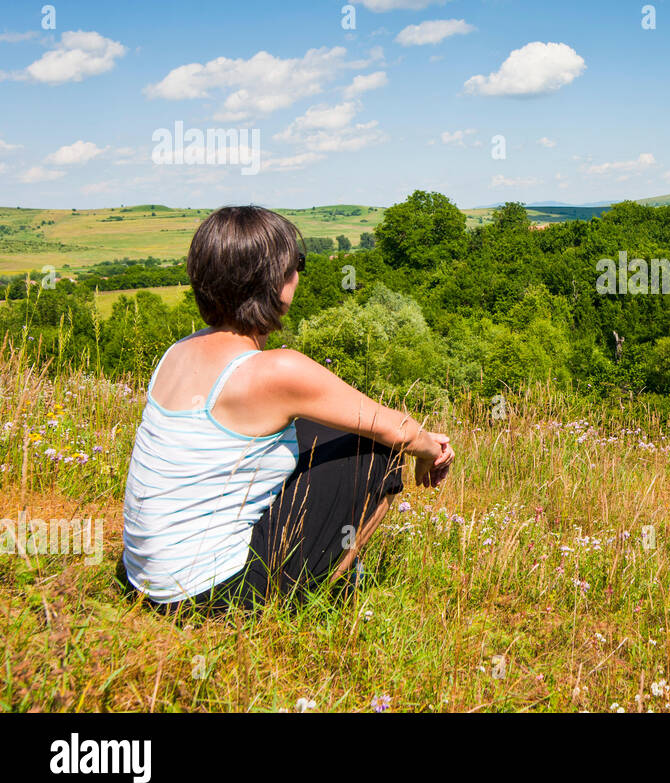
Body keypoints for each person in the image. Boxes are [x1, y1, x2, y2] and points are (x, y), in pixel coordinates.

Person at [119, 205, 453, 612]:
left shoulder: (178, 351)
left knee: (329, 430)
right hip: (212, 595)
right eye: (296, 262)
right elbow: (397, 431)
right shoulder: (278, 370)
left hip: (145, 578)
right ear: (272, 280)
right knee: (377, 452)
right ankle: (324, 590)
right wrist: (433, 453)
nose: (298, 273)